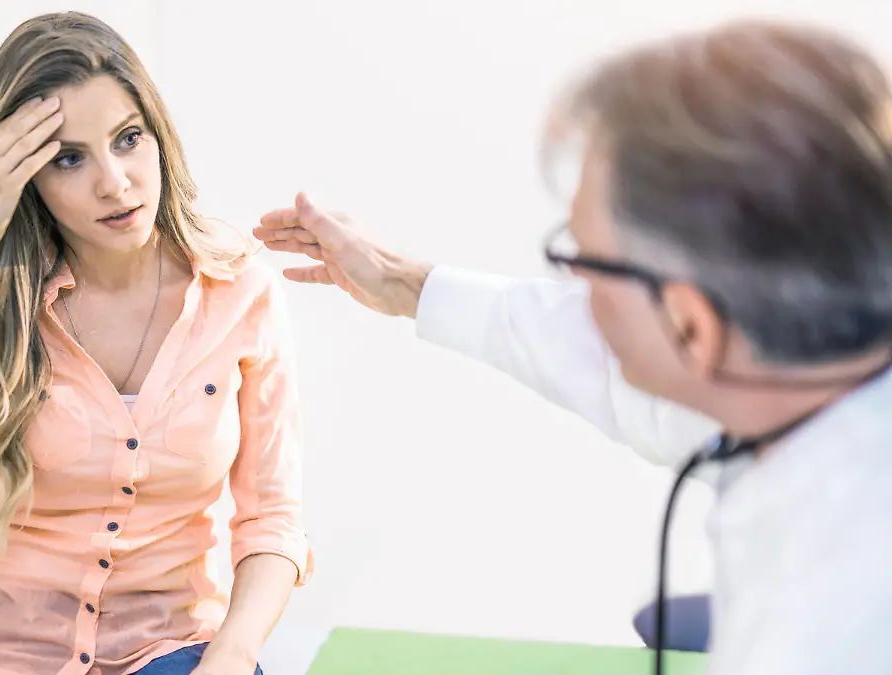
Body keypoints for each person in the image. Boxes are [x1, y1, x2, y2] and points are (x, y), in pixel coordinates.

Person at [255, 19, 892, 675]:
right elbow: (576, 343)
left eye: (585, 261)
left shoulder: (835, 612)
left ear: (692, 327)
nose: (573, 289)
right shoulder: (807, 387)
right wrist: (399, 281)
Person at [0, 12, 310, 675]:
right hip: (2, 652)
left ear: (158, 134)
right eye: (68, 158)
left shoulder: (242, 295)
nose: (114, 181)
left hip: (169, 647)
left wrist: (232, 651)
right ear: (25, 176)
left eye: (128, 138)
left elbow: (272, 520)